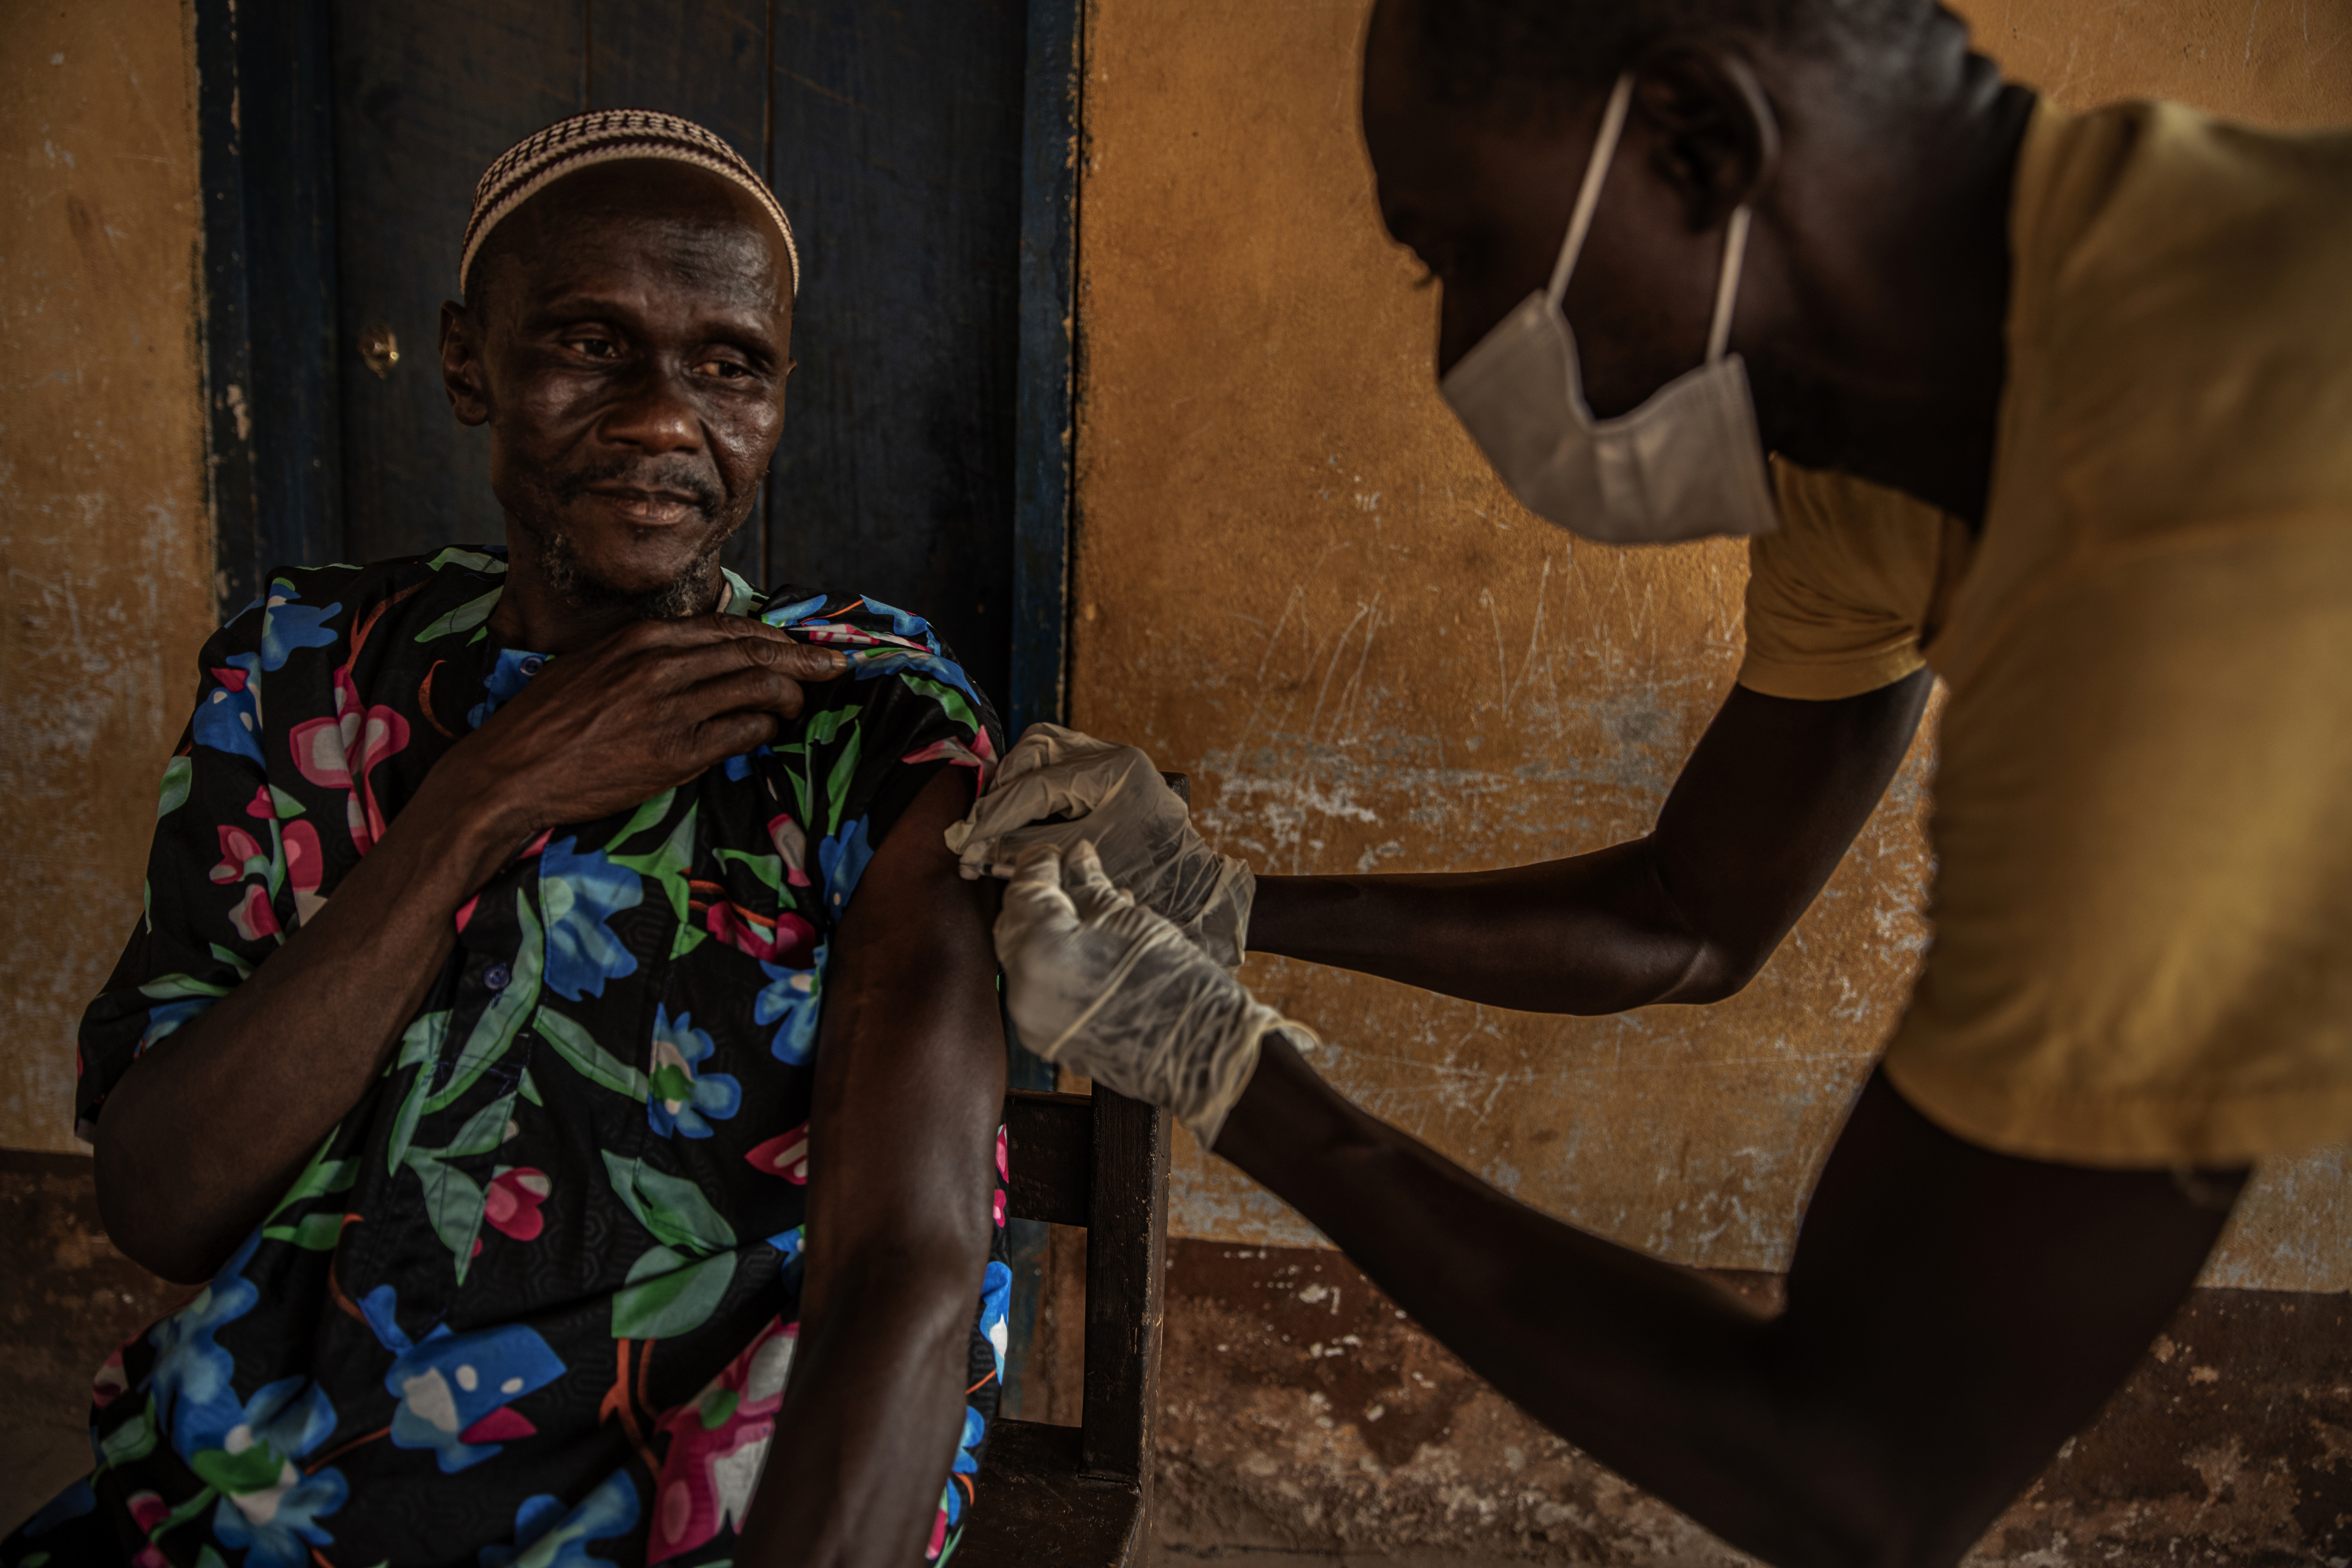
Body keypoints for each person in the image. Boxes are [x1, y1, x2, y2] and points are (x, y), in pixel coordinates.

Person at [955, 0, 2352, 1563]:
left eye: (1463, 252)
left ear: (1694, 140)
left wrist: (1221, 1067)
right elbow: (1696, 920)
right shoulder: (1876, 469)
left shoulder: (2198, 523)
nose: (1455, 351)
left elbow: (1865, 1468)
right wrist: (1226, 901)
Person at [4, 112, 1011, 1568]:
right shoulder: (308, 672)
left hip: (713, 1502)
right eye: (592, 346)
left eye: (732, 365)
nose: (668, 419)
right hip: (279, 1478)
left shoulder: (863, 719)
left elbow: (910, 1270)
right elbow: (164, 1200)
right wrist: (485, 798)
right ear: (469, 361)